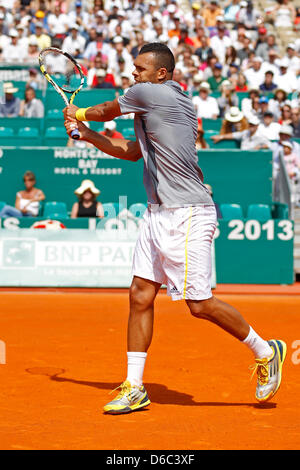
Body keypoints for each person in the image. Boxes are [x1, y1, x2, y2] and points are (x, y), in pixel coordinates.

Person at [63, 42, 286, 414]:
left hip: (188, 212)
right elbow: (132, 152)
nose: (133, 73)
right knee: (139, 295)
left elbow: (104, 110)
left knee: (199, 305)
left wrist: (79, 112)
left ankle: (266, 351)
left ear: (161, 73)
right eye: (133, 67)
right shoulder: (163, 103)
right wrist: (85, 134)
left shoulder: (150, 93)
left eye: (140, 68)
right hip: (157, 213)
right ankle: (135, 387)